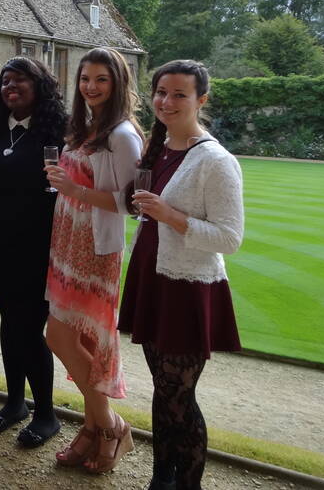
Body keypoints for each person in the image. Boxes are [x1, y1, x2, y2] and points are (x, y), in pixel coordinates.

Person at [118, 60, 244, 490]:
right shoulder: (159, 147)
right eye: (161, 92)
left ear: (201, 100)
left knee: (179, 397)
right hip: (153, 279)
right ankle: (161, 478)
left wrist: (171, 216)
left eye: (179, 94)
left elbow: (229, 238)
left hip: (188, 287)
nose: (166, 102)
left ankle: (186, 483)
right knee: (161, 389)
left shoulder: (215, 160)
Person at [43, 47, 143, 472]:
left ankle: (109, 424)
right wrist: (66, 186)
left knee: (59, 336)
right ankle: (93, 428)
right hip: (67, 239)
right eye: (85, 79)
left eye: (101, 79)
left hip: (95, 247)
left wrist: (74, 188)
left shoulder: (122, 135)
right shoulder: (84, 128)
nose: (91, 87)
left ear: (117, 83)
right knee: (73, 340)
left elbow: (131, 202)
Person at [0, 56, 66, 446]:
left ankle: (47, 414)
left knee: (28, 328)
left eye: (20, 81)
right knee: (10, 322)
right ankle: (15, 403)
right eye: (5, 82)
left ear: (39, 87)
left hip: (39, 244)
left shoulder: (55, 133)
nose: (11, 87)